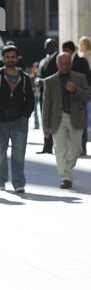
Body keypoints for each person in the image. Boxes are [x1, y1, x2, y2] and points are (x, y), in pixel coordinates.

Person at [42, 53, 91, 189]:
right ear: (57, 64)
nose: (64, 66)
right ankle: (65, 178)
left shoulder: (80, 78)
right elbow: (46, 105)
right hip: (57, 119)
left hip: (75, 117)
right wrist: (45, 125)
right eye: (62, 64)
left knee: (76, 149)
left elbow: (89, 96)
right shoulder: (49, 81)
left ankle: (66, 169)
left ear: (71, 64)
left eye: (67, 63)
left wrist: (76, 90)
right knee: (60, 149)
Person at [0, 45, 34, 193]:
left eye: (13, 57)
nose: (10, 59)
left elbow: (31, 100)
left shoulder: (25, 78)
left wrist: (25, 116)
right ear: (3, 58)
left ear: (17, 58)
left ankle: (19, 182)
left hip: (19, 121)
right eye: (7, 57)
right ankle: (1, 181)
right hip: (1, 121)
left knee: (18, 153)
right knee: (0, 153)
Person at [62, 41, 91, 155]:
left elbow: (88, 79)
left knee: (81, 123)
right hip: (66, 99)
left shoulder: (81, 61)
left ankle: (82, 147)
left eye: (64, 50)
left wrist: (80, 91)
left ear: (69, 50)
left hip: (79, 97)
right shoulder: (64, 63)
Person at [37, 38, 59, 154]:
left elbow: (58, 76)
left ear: (55, 47)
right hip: (43, 95)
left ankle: (55, 145)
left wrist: (44, 81)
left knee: (53, 120)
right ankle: (47, 145)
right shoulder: (42, 61)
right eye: (46, 45)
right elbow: (40, 75)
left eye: (50, 45)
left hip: (54, 96)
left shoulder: (58, 60)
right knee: (44, 120)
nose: (48, 48)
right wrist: (37, 80)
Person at [78, 36, 91, 140]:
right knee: (86, 109)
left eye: (84, 43)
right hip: (83, 84)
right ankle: (87, 131)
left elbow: (90, 69)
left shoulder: (89, 55)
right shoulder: (82, 55)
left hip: (88, 84)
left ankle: (89, 131)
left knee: (88, 109)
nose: (82, 45)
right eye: (82, 43)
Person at [30, 62, 41, 130]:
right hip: (34, 95)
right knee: (35, 111)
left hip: (40, 94)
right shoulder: (31, 77)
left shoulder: (41, 75)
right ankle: (36, 124)